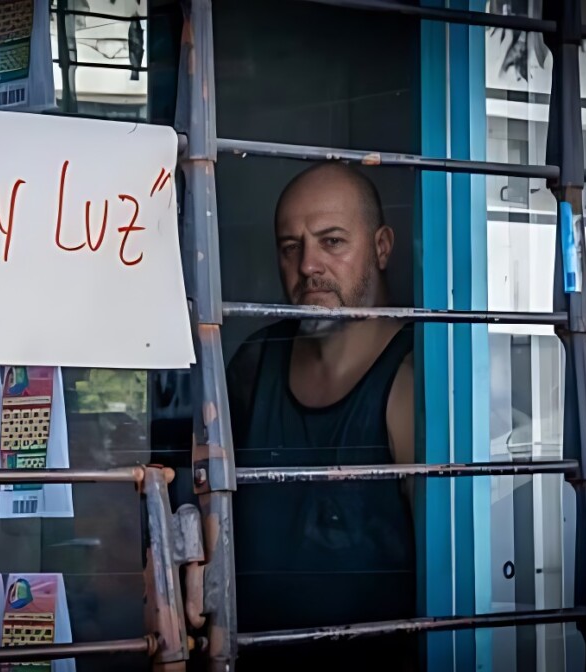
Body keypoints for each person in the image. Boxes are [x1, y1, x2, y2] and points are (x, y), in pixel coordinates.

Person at [227, 161, 417, 668]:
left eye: (332, 241)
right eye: (291, 247)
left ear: (381, 247)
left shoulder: (410, 381)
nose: (308, 264)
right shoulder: (255, 363)